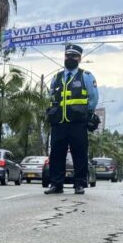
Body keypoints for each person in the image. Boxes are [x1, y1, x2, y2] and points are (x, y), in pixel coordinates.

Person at [44, 44, 99, 195]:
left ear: (79, 58)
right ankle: (56, 184)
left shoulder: (86, 76)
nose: (70, 58)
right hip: (59, 122)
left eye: (74, 56)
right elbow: (51, 97)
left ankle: (79, 184)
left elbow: (93, 98)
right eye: (68, 55)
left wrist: (86, 114)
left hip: (77, 123)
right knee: (56, 154)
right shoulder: (57, 77)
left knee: (79, 153)